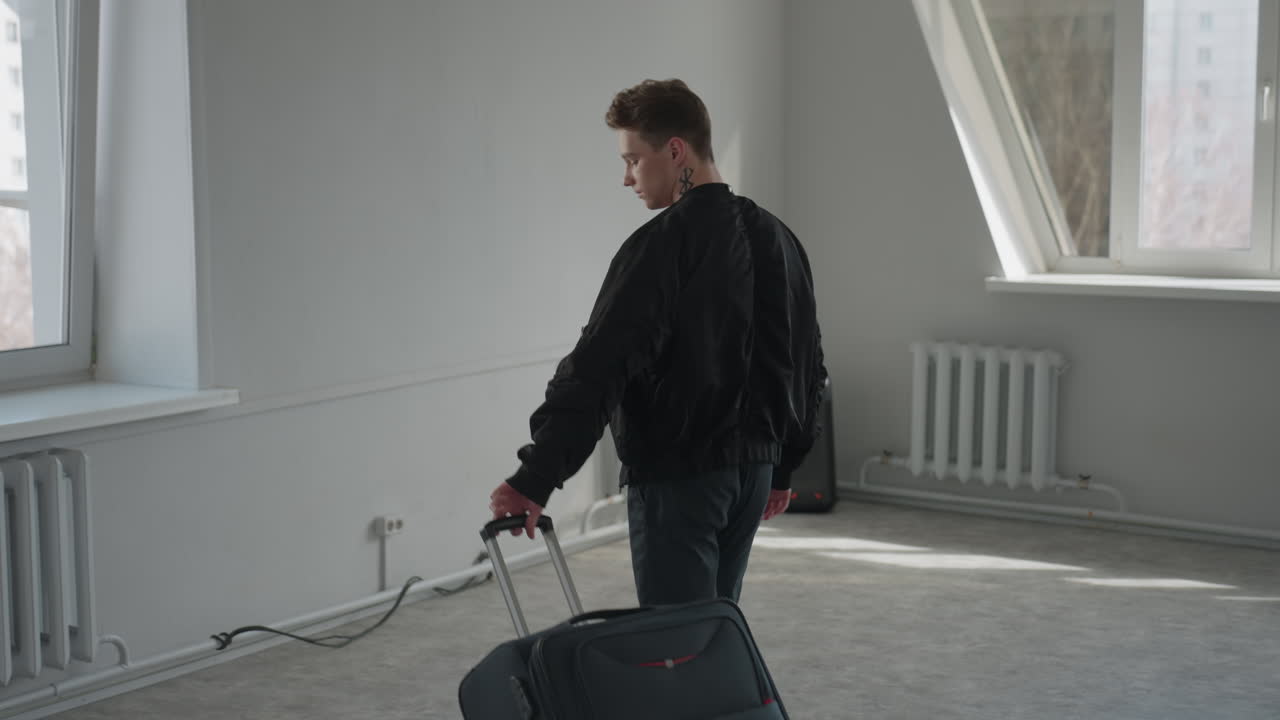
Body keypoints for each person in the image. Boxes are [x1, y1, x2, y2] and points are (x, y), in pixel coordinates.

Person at [489, 78, 827, 606]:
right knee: (716, 624)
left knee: (675, 641)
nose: (627, 179)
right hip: (754, 475)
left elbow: (600, 364)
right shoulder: (779, 239)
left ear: (675, 151)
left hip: (682, 476)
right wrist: (782, 465)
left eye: (633, 160)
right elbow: (808, 365)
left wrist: (534, 477)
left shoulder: (661, 245)